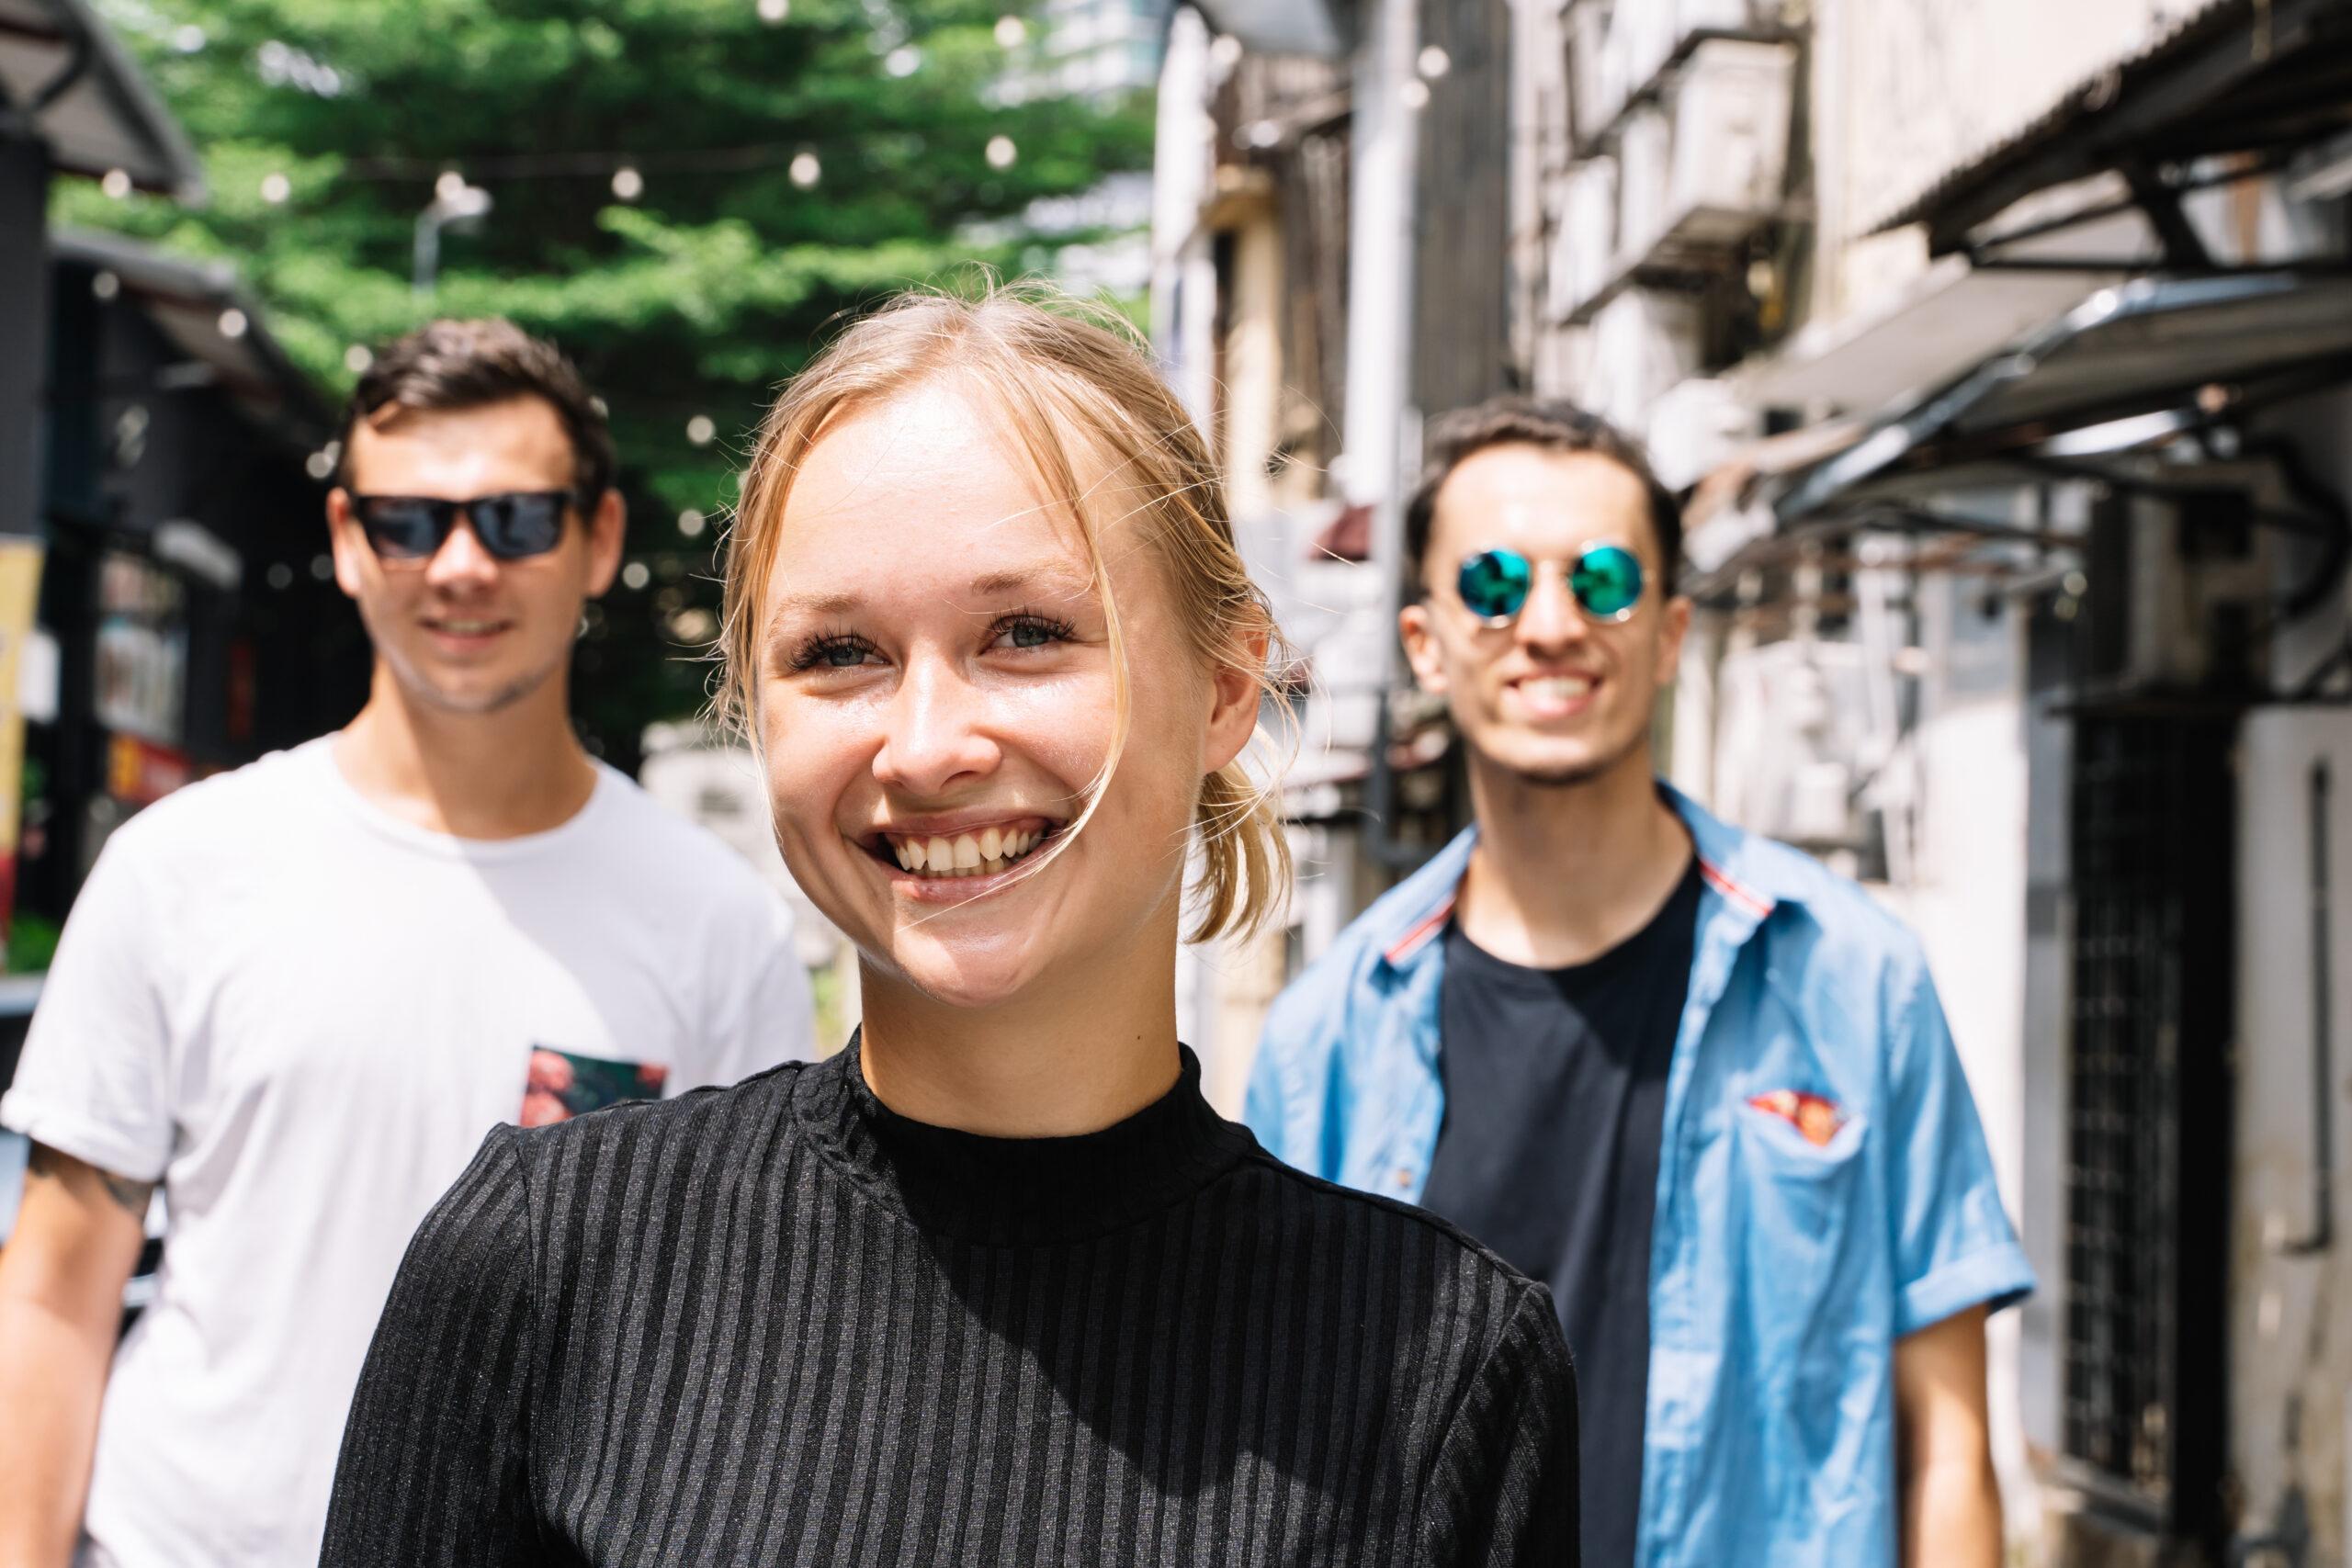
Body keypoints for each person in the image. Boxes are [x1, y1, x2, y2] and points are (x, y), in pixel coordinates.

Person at [317, 291, 1578, 1565]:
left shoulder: (1444, 1361)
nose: (924, 748)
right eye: (839, 652)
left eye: (1027, 634)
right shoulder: (546, 1267)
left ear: (1226, 685)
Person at [0, 320, 816, 1568]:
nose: (458, 565)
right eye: (407, 521)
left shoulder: (718, 927)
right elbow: (54, 1294)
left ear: (597, 541)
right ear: (346, 540)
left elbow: (736, 1352)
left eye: (516, 520)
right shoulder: (183, 868)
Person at [1247, 398, 2034, 1567]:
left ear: (1666, 633)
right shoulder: (1331, 1035)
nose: (1552, 623)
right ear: (1425, 641)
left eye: (1604, 579)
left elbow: (1949, 1447)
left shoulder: (1851, 979)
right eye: (1496, 583)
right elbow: (1276, 1460)